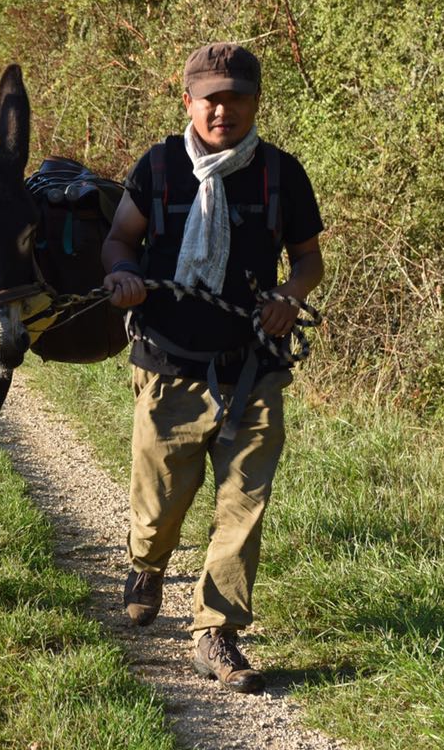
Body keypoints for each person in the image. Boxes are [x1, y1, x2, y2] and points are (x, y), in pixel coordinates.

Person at [100, 42, 325, 693]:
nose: (223, 109)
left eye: (236, 97)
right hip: (168, 363)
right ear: (188, 101)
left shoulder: (281, 175)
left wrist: (290, 295)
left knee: (243, 504)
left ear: (255, 101)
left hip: (254, 369)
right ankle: (146, 563)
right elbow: (121, 237)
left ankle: (216, 632)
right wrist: (122, 272)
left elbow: (308, 259)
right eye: (211, 98)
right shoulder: (161, 168)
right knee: (160, 502)